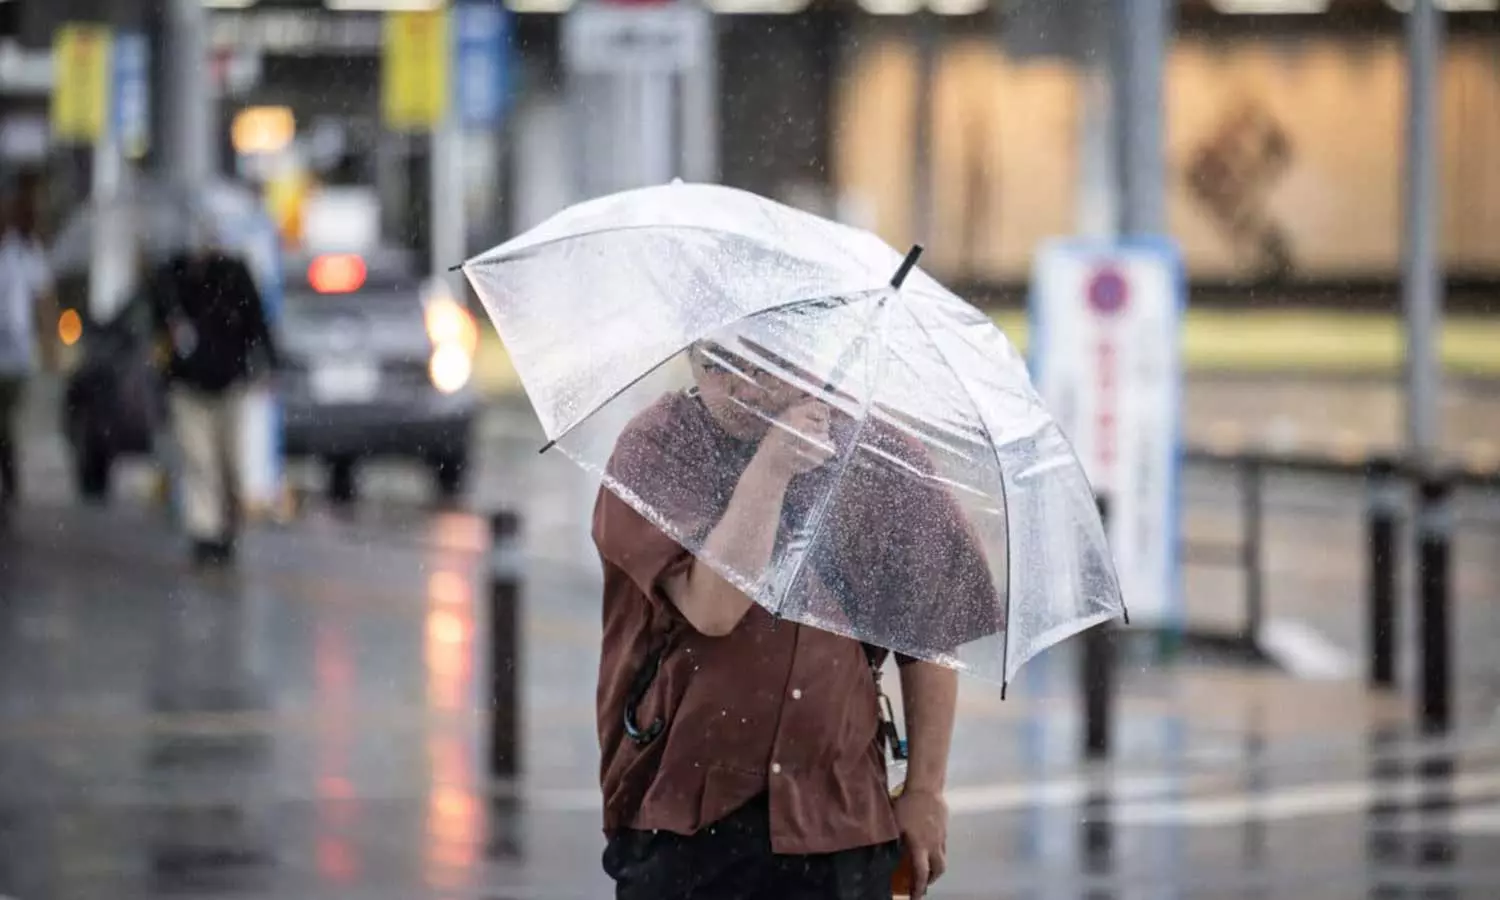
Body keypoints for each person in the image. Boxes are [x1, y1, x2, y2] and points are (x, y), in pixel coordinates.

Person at [592, 339, 1000, 900]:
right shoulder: (660, 445)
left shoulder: (876, 455)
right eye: (714, 364)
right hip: (686, 806)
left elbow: (928, 632)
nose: (734, 387)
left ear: (802, 356)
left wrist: (926, 790)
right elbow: (715, 608)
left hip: (840, 811)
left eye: (757, 364)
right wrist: (772, 467)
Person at [149, 225, 279, 565]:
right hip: (188, 386)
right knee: (199, 459)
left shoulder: (234, 274)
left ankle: (226, 524)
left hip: (229, 382)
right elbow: (158, 325)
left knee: (228, 461)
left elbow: (257, 323)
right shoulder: (172, 277)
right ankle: (204, 530)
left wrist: (268, 363)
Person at [0, 184, 55, 519]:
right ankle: (8, 474)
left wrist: (50, 345)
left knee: (5, 418)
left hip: (15, 352)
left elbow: (43, 298)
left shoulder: (26, 252)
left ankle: (8, 477)